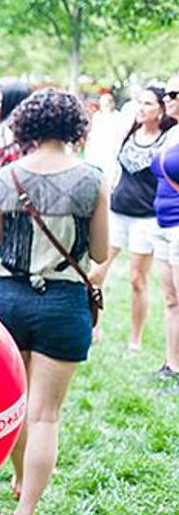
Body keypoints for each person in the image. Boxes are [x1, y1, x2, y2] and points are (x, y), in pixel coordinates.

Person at [0, 88, 109, 515]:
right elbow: (97, 251)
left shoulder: (5, 177)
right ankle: (24, 513)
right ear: (75, 126)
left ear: (28, 126)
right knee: (45, 417)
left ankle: (18, 480)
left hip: (9, 300)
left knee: (14, 407)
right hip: (63, 304)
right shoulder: (92, 180)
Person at [89, 85, 176, 350]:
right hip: (117, 212)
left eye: (148, 104)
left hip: (146, 217)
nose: (141, 108)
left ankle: (135, 340)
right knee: (95, 273)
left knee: (137, 279)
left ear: (161, 109)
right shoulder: (128, 133)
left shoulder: (168, 139)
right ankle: (94, 326)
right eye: (139, 102)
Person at [150, 73, 179, 380]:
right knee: (171, 299)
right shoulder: (171, 133)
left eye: (174, 94)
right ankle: (172, 365)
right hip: (161, 223)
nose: (167, 99)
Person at [84, 92, 123, 177]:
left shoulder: (117, 116)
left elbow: (119, 134)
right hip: (97, 147)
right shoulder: (97, 116)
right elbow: (93, 131)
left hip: (111, 147)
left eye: (105, 104)